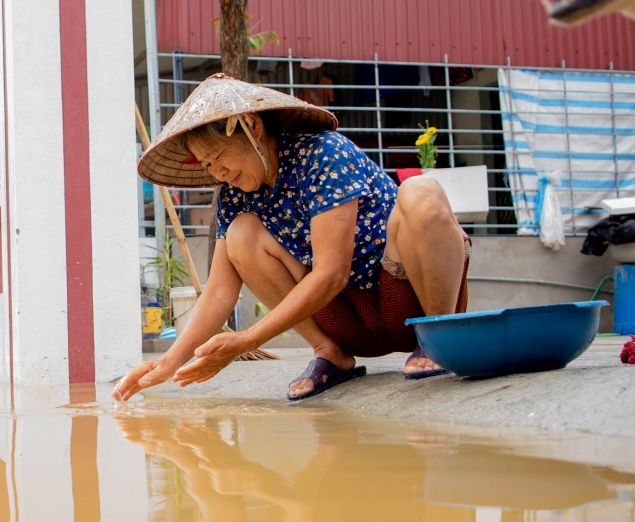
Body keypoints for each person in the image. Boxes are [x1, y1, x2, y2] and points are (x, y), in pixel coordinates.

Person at [115, 74, 470, 402]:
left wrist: (247, 340)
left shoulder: (323, 154)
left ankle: (439, 339)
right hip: (347, 322)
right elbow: (220, 290)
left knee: (421, 190)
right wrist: (170, 361)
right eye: (207, 165)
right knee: (241, 234)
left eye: (219, 155)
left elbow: (332, 273)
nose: (218, 171)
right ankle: (329, 353)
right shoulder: (235, 195)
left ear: (252, 126)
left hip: (409, 301)